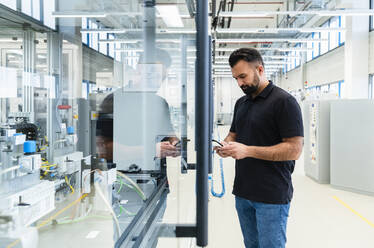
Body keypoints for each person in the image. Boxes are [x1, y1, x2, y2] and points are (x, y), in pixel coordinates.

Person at [214, 48, 304, 248]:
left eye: (243, 76)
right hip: (243, 192)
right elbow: (233, 135)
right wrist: (225, 145)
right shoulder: (241, 103)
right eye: (236, 78)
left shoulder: (284, 102)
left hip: (271, 196)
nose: (239, 83)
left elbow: (294, 149)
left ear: (260, 69)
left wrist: (247, 151)